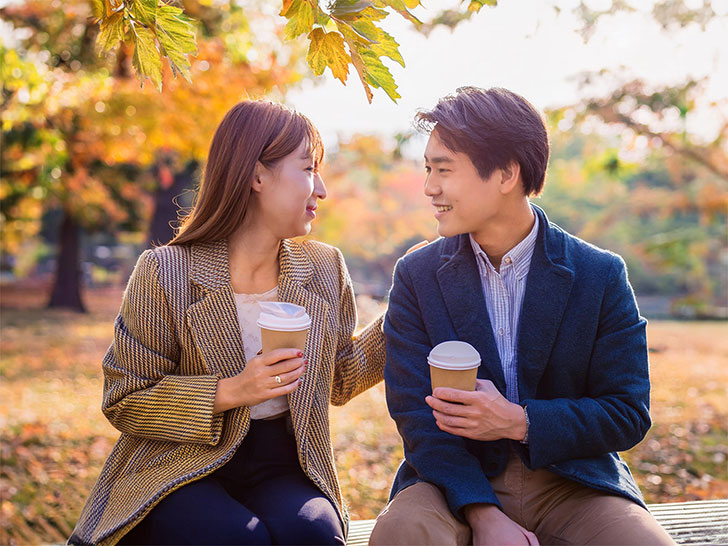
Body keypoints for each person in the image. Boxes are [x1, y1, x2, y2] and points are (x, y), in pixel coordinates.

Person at [69, 100, 385, 546]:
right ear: (257, 176)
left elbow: (341, 377)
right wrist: (232, 390)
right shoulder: (166, 272)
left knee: (313, 536)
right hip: (180, 462)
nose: (323, 190)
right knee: (239, 539)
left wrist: (409, 305)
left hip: (285, 463)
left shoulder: (323, 267)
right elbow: (124, 398)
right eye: (308, 169)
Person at [370, 87, 676, 545]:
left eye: (444, 169)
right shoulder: (417, 275)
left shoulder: (599, 274)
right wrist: (484, 514)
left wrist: (518, 421)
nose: (430, 186)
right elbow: (416, 418)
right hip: (451, 483)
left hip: (573, 482)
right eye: (428, 169)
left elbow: (627, 412)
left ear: (507, 173)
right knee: (401, 533)